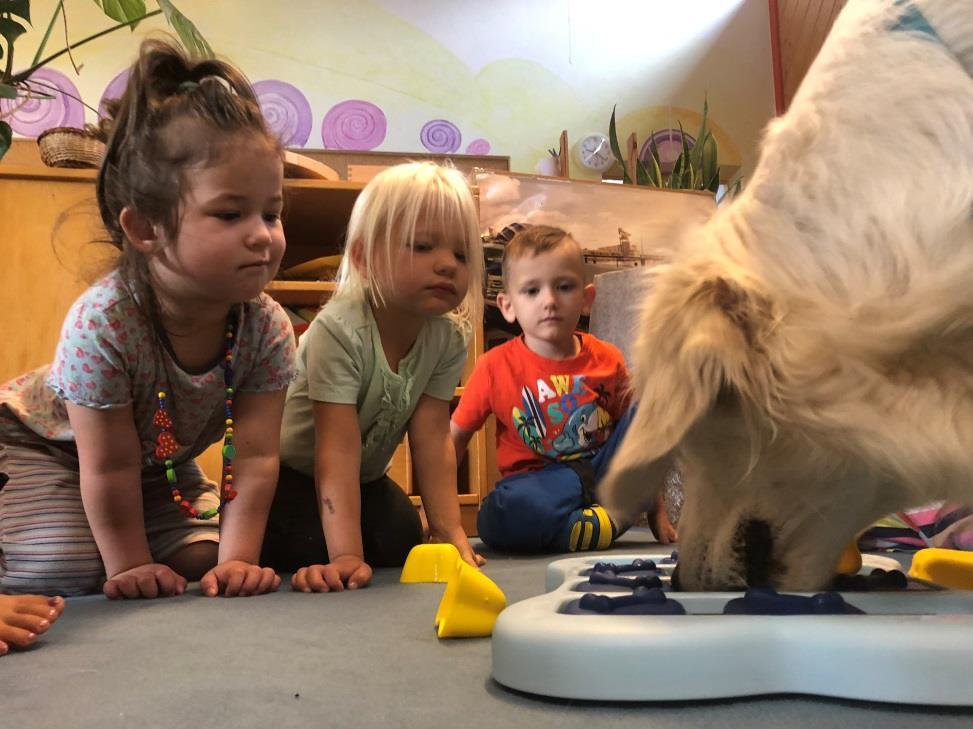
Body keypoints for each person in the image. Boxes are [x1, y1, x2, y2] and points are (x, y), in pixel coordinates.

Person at [0, 39, 296, 599]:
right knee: (64, 572)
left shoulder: (268, 328)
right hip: (48, 445)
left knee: (200, 558)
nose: (263, 233)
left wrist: (236, 562)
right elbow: (106, 468)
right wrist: (128, 565)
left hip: (155, 461)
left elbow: (255, 457)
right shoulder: (103, 324)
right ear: (144, 229)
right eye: (230, 214)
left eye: (272, 212)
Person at [264, 162, 485, 593]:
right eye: (422, 246)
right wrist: (346, 556)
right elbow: (336, 450)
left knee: (401, 535)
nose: (447, 265)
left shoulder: (448, 337)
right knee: (305, 537)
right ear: (364, 258)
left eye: (461, 255)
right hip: (292, 477)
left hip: (362, 479)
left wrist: (451, 532)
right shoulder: (339, 330)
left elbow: (433, 439)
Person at [451, 225, 677, 553]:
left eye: (564, 287)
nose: (550, 301)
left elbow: (639, 437)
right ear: (507, 305)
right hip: (540, 486)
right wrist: (445, 521)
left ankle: (601, 513)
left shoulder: (607, 357)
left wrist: (658, 510)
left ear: (586, 299)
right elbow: (455, 438)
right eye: (532, 291)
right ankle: (599, 521)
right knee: (496, 514)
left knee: (651, 405)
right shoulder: (493, 366)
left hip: (604, 473)